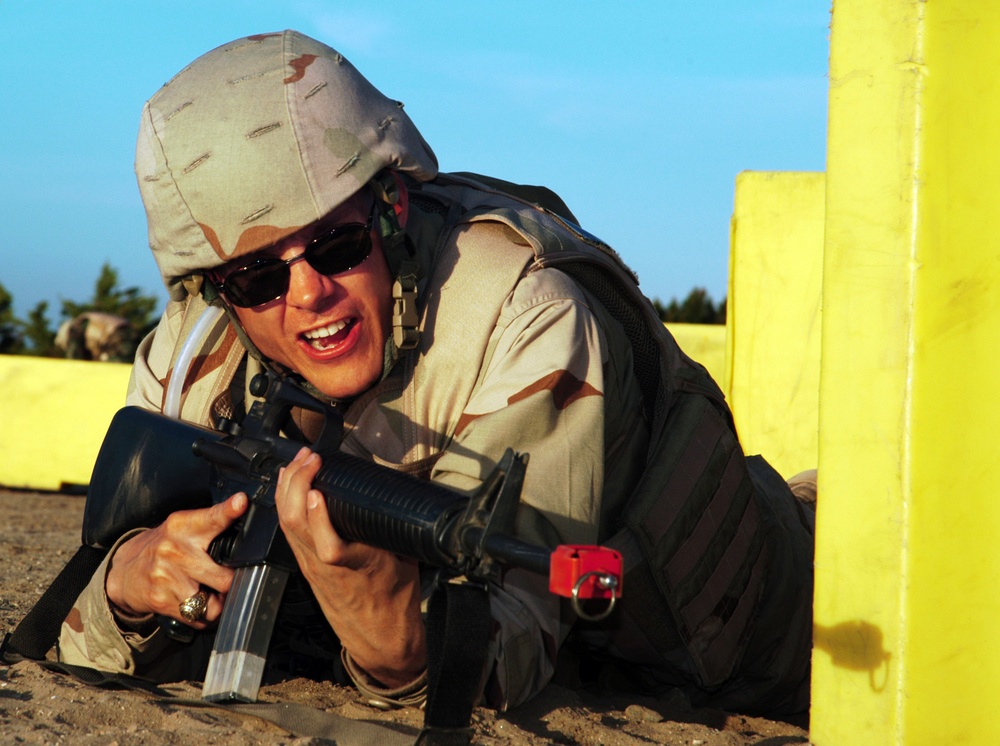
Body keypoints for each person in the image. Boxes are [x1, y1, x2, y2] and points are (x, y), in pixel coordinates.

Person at [58, 30, 814, 717]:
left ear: (393, 209)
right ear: (218, 288)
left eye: (337, 244)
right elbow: (76, 634)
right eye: (257, 278)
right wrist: (131, 583)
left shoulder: (518, 312)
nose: (307, 293)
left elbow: (512, 648)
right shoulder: (193, 355)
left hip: (769, 624)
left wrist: (397, 646)